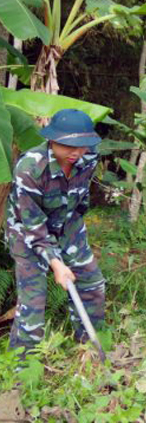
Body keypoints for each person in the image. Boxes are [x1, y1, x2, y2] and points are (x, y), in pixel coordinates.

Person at [6, 109, 105, 358]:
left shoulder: (89, 157)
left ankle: (90, 350)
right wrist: (56, 263)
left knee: (92, 284)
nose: (77, 152)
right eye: (69, 145)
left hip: (68, 226)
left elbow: (81, 198)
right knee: (34, 303)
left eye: (82, 145)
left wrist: (72, 233)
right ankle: (22, 371)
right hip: (27, 232)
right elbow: (34, 227)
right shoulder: (30, 169)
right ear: (52, 140)